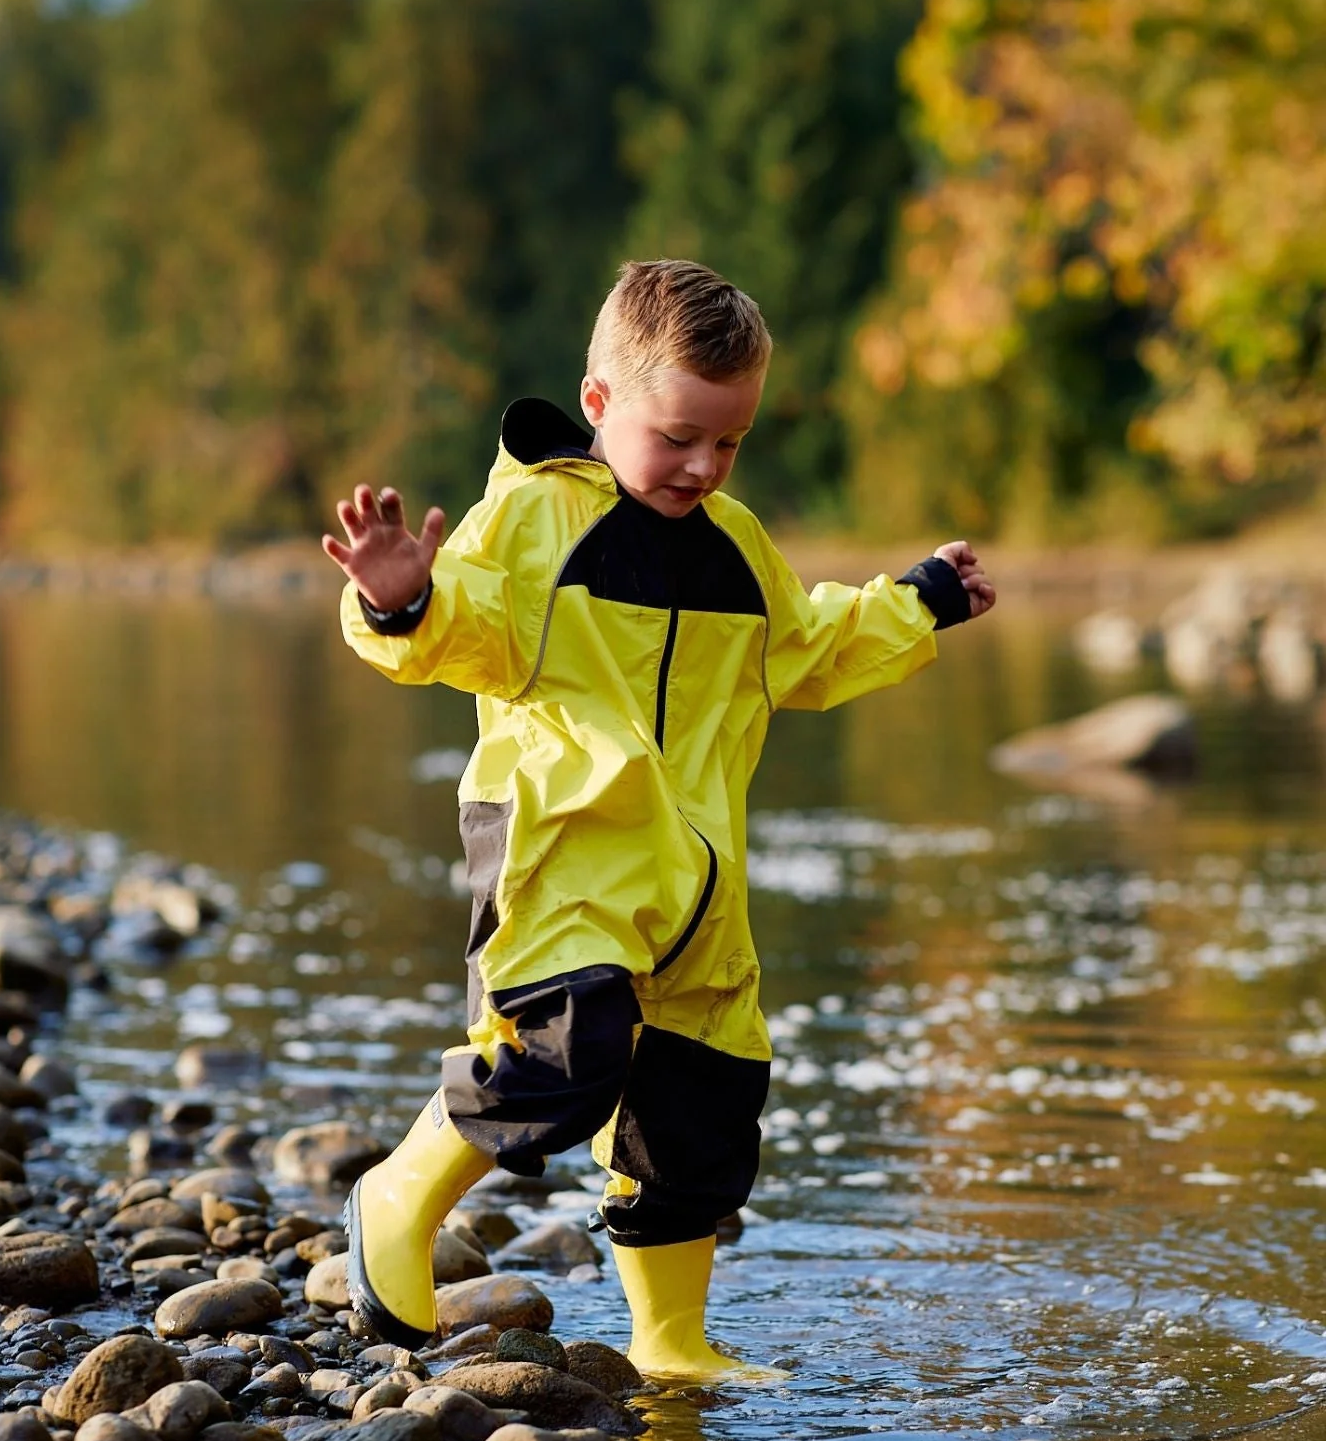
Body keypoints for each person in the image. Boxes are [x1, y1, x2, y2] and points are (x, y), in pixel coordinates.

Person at [321, 259, 995, 1379]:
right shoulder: (537, 520)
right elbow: (462, 628)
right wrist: (400, 599)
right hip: (564, 854)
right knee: (562, 1057)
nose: (702, 465)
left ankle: (671, 1341)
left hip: (698, 885)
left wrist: (916, 599)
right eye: (679, 435)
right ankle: (397, 1193)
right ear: (599, 405)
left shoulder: (734, 542)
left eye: (728, 444)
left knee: (704, 1103)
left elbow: (806, 648)